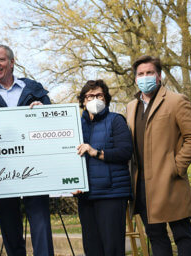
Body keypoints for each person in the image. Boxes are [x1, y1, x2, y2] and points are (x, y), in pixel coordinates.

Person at [0, 44, 54, 256]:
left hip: (35, 167)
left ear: (12, 62)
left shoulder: (34, 89)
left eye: (1, 60)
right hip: (2, 173)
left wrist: (45, 111)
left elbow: (54, 124)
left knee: (41, 223)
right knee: (9, 226)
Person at [127, 55, 191, 255]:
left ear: (159, 76)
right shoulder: (131, 106)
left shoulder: (176, 101)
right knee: (155, 236)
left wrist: (176, 167)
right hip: (142, 185)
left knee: (183, 235)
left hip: (170, 181)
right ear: (135, 78)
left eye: (149, 73)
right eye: (141, 74)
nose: (145, 77)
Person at [73, 80, 133, 256]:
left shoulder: (116, 120)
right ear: (83, 101)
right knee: (92, 249)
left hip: (112, 194)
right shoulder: (76, 125)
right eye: (90, 96)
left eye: (99, 95)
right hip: (86, 196)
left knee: (112, 249)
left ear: (106, 99)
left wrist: (96, 152)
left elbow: (125, 152)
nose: (94, 99)